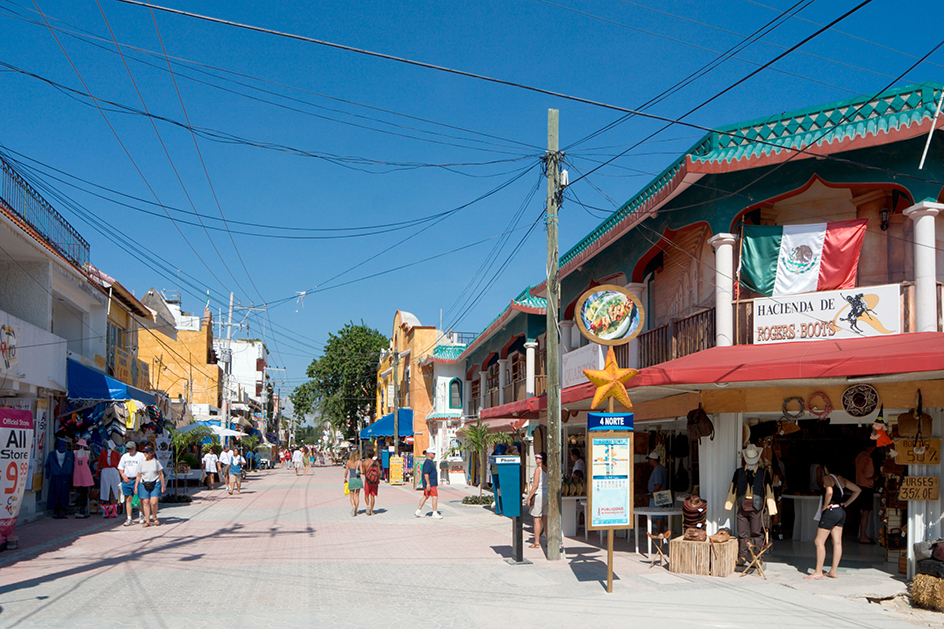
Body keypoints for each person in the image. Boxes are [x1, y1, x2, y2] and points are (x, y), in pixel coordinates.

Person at [805, 465, 861, 580]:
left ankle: (818, 571)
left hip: (830, 511)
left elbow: (829, 491)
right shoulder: (842, 479)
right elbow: (857, 490)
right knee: (837, 542)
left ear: (826, 468)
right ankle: (833, 571)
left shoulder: (827, 478)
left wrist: (825, 506)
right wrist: (846, 503)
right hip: (840, 510)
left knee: (819, 541)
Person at [134, 445, 165, 527]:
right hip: (143, 483)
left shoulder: (156, 462)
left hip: (155, 482)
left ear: (151, 453)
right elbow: (138, 476)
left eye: (146, 452)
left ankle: (154, 517)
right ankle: (147, 520)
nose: (145, 454)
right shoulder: (141, 463)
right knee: (145, 502)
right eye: (144, 452)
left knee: (153, 502)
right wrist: (136, 486)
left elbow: (161, 474)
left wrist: (163, 485)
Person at [118, 441, 145, 526]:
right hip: (127, 480)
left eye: (131, 448)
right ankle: (129, 518)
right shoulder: (124, 456)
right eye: (128, 449)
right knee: (128, 498)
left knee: (139, 498)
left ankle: (141, 514)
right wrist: (123, 475)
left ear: (135, 448)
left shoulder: (140, 456)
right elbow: (120, 467)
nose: (129, 450)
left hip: (137, 479)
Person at [525, 452, 548, 548]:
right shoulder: (548, 469)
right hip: (547, 494)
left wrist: (529, 497)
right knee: (545, 519)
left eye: (538, 458)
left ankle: (537, 542)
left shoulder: (538, 470)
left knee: (537, 519)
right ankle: (549, 541)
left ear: (541, 459)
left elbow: (535, 485)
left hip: (539, 494)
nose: (536, 459)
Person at [855, 444, 876, 544]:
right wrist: (875, 478)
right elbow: (868, 475)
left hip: (858, 485)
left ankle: (861, 534)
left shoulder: (859, 456)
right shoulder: (868, 458)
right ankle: (863, 535)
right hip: (866, 487)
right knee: (865, 513)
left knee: (861, 513)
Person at [415, 449, 442, 519]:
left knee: (425, 496)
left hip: (431, 483)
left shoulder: (430, 462)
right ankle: (435, 512)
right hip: (431, 483)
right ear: (429, 454)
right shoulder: (428, 462)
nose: (434, 455)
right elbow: (426, 473)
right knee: (435, 497)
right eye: (433, 453)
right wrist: (428, 484)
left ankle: (418, 511)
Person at [647, 452, 668, 534]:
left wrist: (653, 493)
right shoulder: (661, 468)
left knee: (658, 514)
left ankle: (659, 531)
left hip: (658, 495)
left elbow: (658, 483)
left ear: (653, 460)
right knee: (661, 514)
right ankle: (660, 531)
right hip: (663, 494)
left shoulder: (657, 469)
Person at [345, 450, 363, 516]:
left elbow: (346, 471)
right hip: (358, 479)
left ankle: (353, 506)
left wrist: (345, 478)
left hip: (351, 479)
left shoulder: (348, 462)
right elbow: (361, 472)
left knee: (351, 495)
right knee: (357, 495)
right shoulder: (359, 462)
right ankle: (355, 511)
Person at [363, 451, 381, 516]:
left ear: (367, 454)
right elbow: (379, 473)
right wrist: (378, 479)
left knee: (366, 494)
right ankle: (371, 511)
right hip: (374, 481)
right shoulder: (376, 463)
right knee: (372, 496)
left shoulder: (365, 462)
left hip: (367, 480)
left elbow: (362, 472)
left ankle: (367, 506)